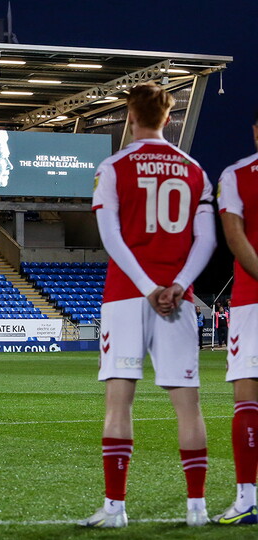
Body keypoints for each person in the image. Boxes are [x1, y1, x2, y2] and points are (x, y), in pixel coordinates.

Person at [82, 83, 216, 528]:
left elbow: (110, 235)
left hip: (126, 296)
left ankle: (115, 509)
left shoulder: (114, 166)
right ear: (168, 119)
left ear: (130, 117)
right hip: (177, 300)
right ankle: (197, 508)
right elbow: (207, 239)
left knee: (119, 403)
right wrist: (176, 285)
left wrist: (144, 286)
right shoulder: (194, 169)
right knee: (189, 406)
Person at [213, 115, 258, 525]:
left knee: (248, 396)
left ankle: (247, 499)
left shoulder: (236, 175)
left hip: (253, 300)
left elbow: (234, 235)